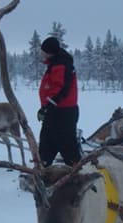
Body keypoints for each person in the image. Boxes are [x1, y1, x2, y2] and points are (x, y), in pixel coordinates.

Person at [37, 37, 81, 167]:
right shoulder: (56, 63)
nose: (42, 53)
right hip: (56, 111)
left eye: (44, 51)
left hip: (62, 111)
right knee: (47, 141)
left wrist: (48, 105)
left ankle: (76, 171)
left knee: (66, 144)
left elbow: (60, 87)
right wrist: (45, 107)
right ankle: (44, 165)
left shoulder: (61, 64)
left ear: (50, 52)